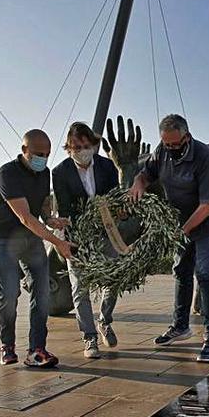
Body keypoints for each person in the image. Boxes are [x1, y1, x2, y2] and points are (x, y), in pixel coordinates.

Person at [128, 114, 209, 362]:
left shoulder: (205, 157)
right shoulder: (161, 151)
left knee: (206, 273)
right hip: (180, 221)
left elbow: (207, 206)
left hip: (207, 222)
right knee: (181, 270)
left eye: (175, 144)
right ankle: (180, 326)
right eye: (166, 144)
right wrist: (138, 184)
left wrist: (181, 232)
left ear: (187, 136)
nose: (171, 149)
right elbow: (145, 174)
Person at [0, 129, 75, 368]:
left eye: (46, 154)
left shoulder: (44, 172)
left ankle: (37, 349)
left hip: (30, 238)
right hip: (4, 239)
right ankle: (7, 346)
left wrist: (50, 218)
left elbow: (43, 203)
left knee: (43, 291)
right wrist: (58, 242)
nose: (43, 159)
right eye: (37, 154)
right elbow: (25, 217)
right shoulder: (8, 174)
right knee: (9, 293)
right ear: (24, 150)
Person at [52, 122, 121, 358]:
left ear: (93, 145)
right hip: (77, 236)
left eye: (85, 145)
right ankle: (89, 337)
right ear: (68, 148)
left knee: (113, 279)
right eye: (76, 147)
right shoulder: (60, 173)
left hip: (106, 232)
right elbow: (65, 208)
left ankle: (105, 320)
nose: (81, 150)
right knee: (79, 288)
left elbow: (115, 197)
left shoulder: (107, 167)